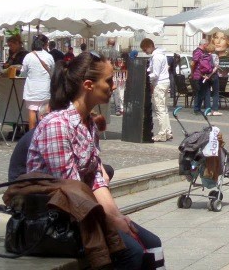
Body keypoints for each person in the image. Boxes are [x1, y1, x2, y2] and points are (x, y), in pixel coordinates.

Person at [27, 52, 164, 269]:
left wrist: (117, 216)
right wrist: (112, 221)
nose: (113, 86)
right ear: (89, 85)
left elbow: (95, 179)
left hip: (83, 209)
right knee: (132, 253)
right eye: (109, 81)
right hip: (56, 218)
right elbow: (72, 190)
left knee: (153, 243)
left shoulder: (88, 124)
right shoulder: (57, 125)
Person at [140, 38, 172, 142]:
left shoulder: (156, 57)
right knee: (164, 109)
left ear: (149, 46)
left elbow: (156, 74)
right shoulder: (161, 55)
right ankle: (168, 131)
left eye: (145, 50)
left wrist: (145, 77)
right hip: (165, 82)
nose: (145, 52)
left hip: (160, 83)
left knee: (160, 109)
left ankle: (163, 133)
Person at [21, 34, 55, 130]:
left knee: (32, 111)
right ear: (44, 45)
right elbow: (52, 72)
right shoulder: (49, 56)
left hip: (32, 88)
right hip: (45, 88)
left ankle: (31, 136)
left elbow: (23, 72)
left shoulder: (28, 56)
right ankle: (44, 133)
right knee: (45, 113)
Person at [191, 38, 216, 115]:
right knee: (199, 92)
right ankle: (196, 109)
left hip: (201, 75)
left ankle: (198, 108)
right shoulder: (198, 52)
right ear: (204, 44)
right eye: (207, 45)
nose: (207, 46)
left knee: (201, 92)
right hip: (198, 75)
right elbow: (192, 63)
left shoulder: (201, 52)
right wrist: (192, 73)